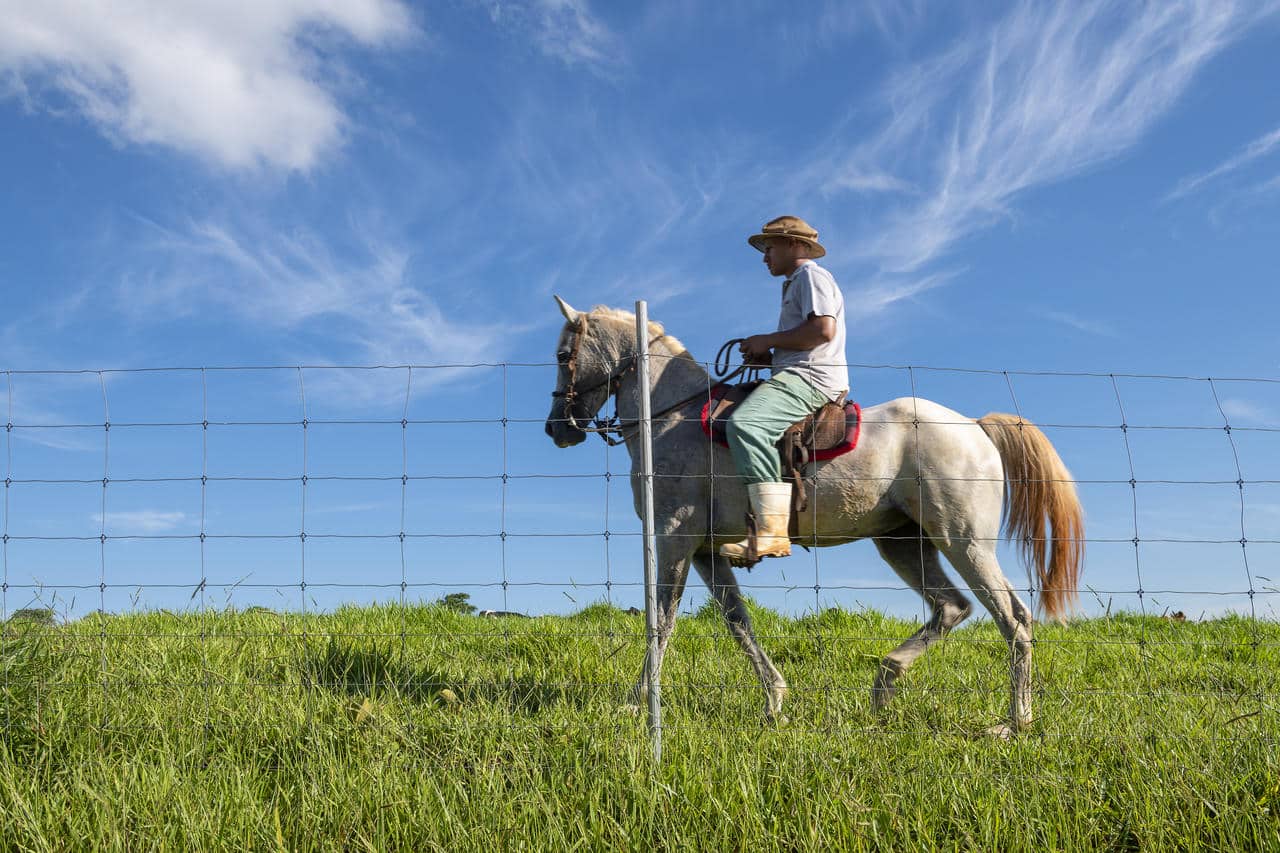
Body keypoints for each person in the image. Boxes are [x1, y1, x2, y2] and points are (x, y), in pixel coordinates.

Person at [720, 216, 849, 564]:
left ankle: (771, 533)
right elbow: (808, 338)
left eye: (769, 247)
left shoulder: (811, 275)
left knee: (746, 425)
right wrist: (771, 354)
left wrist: (769, 340)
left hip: (811, 379)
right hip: (799, 372)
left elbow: (823, 330)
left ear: (795, 244)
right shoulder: (796, 282)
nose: (765, 256)